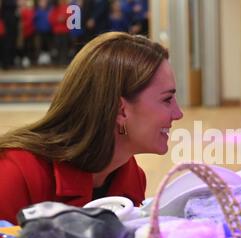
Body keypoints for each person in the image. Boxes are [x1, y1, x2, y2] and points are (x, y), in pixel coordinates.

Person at [0, 32, 183, 224]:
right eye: (167, 99)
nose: (178, 113)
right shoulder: (14, 173)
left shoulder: (131, 177)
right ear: (121, 110)